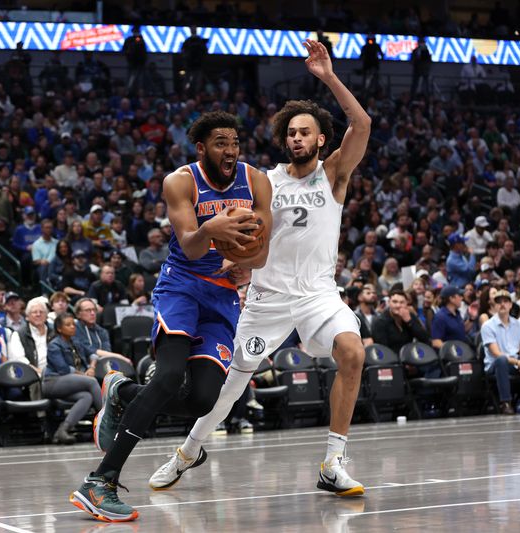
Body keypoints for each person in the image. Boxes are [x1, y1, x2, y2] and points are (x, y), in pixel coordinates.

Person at [147, 40, 371, 500]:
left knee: (352, 351)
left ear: (321, 138)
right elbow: (242, 230)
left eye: (305, 132)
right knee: (228, 389)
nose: (296, 138)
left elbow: (362, 123)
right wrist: (238, 258)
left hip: (317, 294)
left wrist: (327, 76)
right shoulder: (261, 180)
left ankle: (333, 461)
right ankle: (188, 451)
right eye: (290, 132)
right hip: (266, 296)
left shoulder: (334, 175)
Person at [70, 110, 273, 521]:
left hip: (222, 297)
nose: (230, 150)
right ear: (201, 148)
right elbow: (192, 247)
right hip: (181, 286)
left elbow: (263, 250)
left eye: (234, 142)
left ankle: (121, 393)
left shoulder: (256, 181)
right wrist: (213, 228)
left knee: (203, 399)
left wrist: (246, 262)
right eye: (220, 142)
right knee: (165, 378)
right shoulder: (180, 181)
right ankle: (100, 481)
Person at [44, 313, 103, 445]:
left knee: (86, 397)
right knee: (92, 382)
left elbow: (93, 354)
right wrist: (85, 375)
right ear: (59, 329)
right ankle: (108, 421)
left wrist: (92, 368)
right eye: (68, 325)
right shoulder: (54, 345)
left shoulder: (75, 341)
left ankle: (63, 430)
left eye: (73, 324)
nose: (72, 327)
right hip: (53, 382)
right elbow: (63, 370)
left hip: (72, 383)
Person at [371, 288, 430, 353]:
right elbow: (383, 350)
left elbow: (425, 339)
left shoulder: (409, 316)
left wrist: (409, 322)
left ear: (406, 303)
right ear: (389, 302)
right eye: (394, 302)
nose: (398, 305)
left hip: (411, 356)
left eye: (402, 302)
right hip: (390, 360)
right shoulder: (380, 322)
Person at [430, 285, 471, 349]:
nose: (462, 298)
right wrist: (452, 351)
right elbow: (436, 341)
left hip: (462, 353)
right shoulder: (440, 317)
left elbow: (461, 331)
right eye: (459, 296)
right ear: (451, 298)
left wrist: (472, 319)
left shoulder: (457, 313)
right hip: (450, 357)